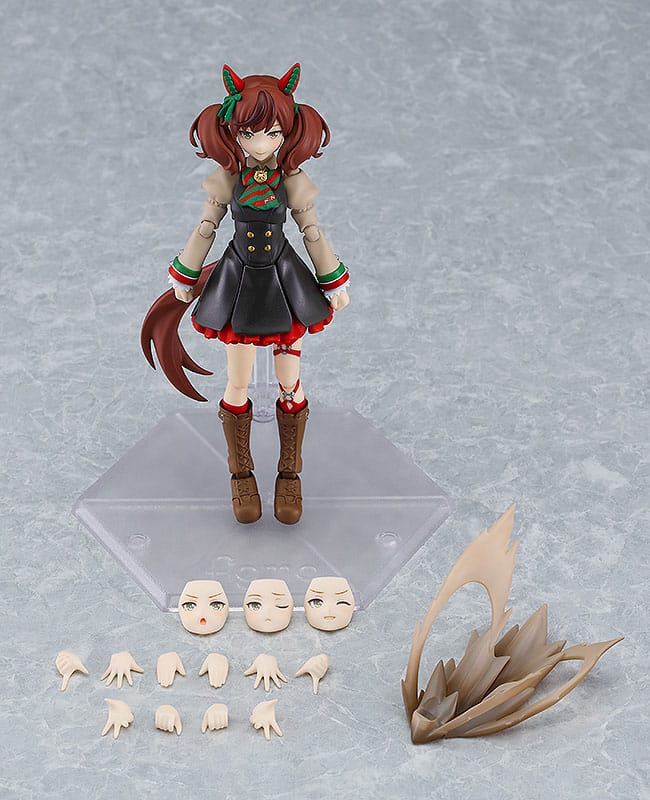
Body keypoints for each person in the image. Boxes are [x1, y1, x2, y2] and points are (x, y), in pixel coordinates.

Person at [142, 63, 350, 526]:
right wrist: (186, 272)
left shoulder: (291, 180)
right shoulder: (227, 179)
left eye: (272, 133)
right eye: (249, 134)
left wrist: (332, 278)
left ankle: (289, 474)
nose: (260, 144)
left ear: (288, 133)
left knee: (290, 381)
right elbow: (206, 227)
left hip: (283, 282)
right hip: (238, 284)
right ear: (232, 132)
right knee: (238, 383)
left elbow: (312, 231)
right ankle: (242, 475)